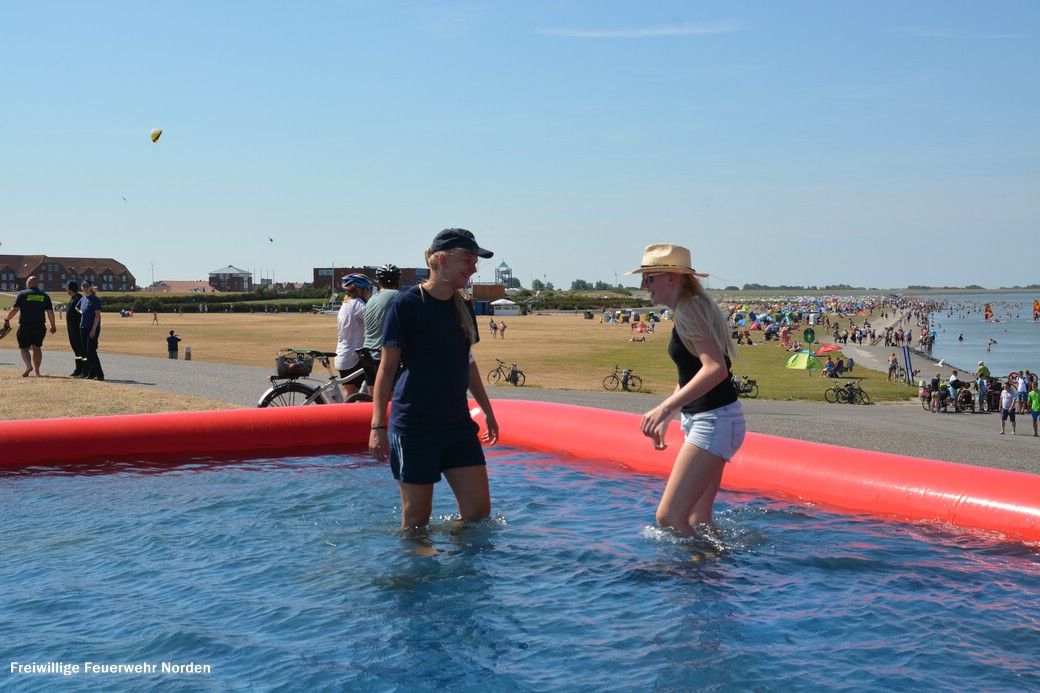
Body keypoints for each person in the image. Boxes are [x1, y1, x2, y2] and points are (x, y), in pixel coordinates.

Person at [369, 228, 499, 530]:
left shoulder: (464, 306)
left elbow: (468, 363)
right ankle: (420, 574)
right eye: (467, 260)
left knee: (478, 513)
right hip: (415, 427)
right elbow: (387, 370)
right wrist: (378, 425)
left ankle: (460, 569)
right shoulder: (407, 305)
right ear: (441, 260)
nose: (473, 268)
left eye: (475, 261)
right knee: (416, 520)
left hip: (457, 426)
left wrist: (487, 410)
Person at [628, 243, 745, 538]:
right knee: (698, 518)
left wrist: (665, 408)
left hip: (714, 422)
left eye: (649, 277)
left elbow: (716, 368)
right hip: (716, 419)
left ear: (672, 277)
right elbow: (691, 373)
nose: (644, 284)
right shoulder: (692, 306)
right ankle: (712, 574)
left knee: (669, 517)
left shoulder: (690, 310)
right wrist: (672, 413)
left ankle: (698, 569)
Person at [4, 276, 57, 377]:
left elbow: (15, 309)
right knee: (37, 347)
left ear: (28, 283)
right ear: (37, 284)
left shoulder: (22, 294)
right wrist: (53, 325)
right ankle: (37, 371)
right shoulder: (44, 295)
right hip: (40, 326)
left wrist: (7, 320)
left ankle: (28, 366)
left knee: (24, 347)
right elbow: (50, 312)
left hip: (25, 325)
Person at [362, 264, 401, 385]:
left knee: (372, 400)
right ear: (398, 282)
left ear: (378, 282)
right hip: (383, 355)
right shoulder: (398, 296)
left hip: (366, 353)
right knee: (390, 401)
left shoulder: (371, 300)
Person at [335, 273, 373, 398]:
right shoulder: (358, 304)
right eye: (368, 289)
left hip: (344, 355)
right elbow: (374, 319)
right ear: (358, 290)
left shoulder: (345, 304)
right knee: (372, 387)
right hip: (354, 357)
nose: (370, 292)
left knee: (350, 395)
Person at [78, 279, 104, 381]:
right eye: (83, 286)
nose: (85, 288)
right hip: (83, 327)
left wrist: (93, 329)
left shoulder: (95, 299)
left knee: (91, 351)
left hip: (92, 328)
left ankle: (100, 374)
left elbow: (97, 315)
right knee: (86, 351)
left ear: (90, 287)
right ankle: (92, 373)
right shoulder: (83, 299)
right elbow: (77, 307)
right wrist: (81, 312)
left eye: (87, 286)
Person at [64, 280, 87, 377]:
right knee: (76, 349)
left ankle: (85, 370)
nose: (66, 290)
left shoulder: (78, 299)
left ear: (70, 289)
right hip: (71, 328)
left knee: (81, 349)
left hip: (77, 328)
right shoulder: (73, 298)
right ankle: (78, 369)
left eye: (67, 288)